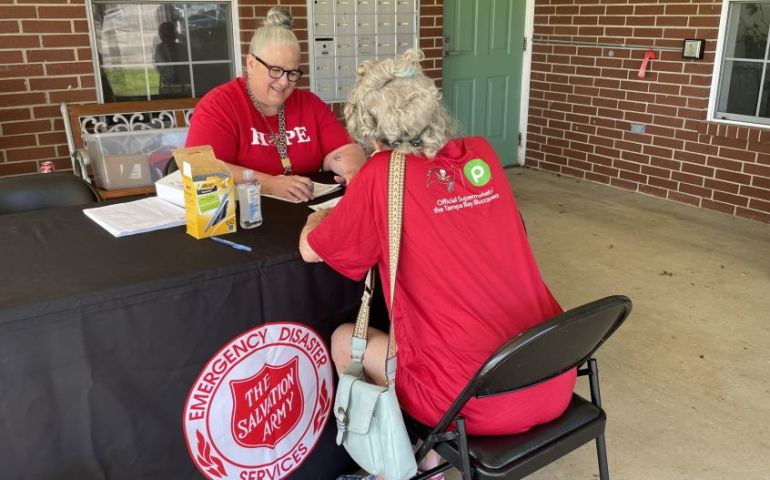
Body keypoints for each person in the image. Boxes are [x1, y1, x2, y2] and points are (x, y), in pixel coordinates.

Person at [299, 49, 576, 474]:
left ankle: (407, 466)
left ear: (371, 134)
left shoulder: (380, 176)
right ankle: (430, 458)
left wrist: (323, 213)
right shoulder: (481, 155)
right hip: (550, 374)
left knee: (342, 341)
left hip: (468, 402)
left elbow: (311, 249)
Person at [185, 6, 365, 202]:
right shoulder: (219, 105)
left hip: (306, 210)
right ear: (251, 65)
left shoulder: (309, 103)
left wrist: (352, 170)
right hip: (246, 216)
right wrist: (269, 184)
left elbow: (345, 149)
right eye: (276, 70)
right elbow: (201, 167)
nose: (284, 82)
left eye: (292, 73)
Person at [154, 21, 191, 97]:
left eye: (170, 34)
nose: (168, 37)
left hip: (184, 84)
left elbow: (186, 66)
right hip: (169, 85)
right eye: (165, 35)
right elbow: (162, 66)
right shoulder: (160, 48)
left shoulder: (181, 47)